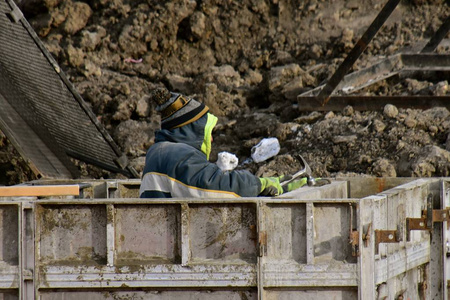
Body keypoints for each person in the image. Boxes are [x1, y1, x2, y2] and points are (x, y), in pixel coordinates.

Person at [139, 87, 304, 198]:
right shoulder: (178, 155)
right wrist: (260, 184)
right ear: (192, 130)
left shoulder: (161, 150)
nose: (211, 139)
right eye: (207, 132)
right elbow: (217, 186)